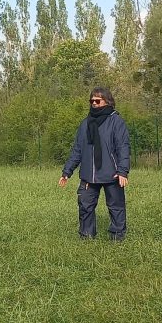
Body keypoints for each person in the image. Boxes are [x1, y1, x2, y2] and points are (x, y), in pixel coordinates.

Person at [58, 87, 130, 240]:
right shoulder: (85, 124)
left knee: (116, 207)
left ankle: (117, 236)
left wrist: (123, 171)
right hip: (89, 175)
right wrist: (67, 172)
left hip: (113, 173)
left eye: (97, 100)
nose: (94, 103)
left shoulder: (116, 121)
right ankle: (87, 236)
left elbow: (123, 147)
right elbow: (78, 149)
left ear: (107, 101)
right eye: (92, 101)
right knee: (85, 206)